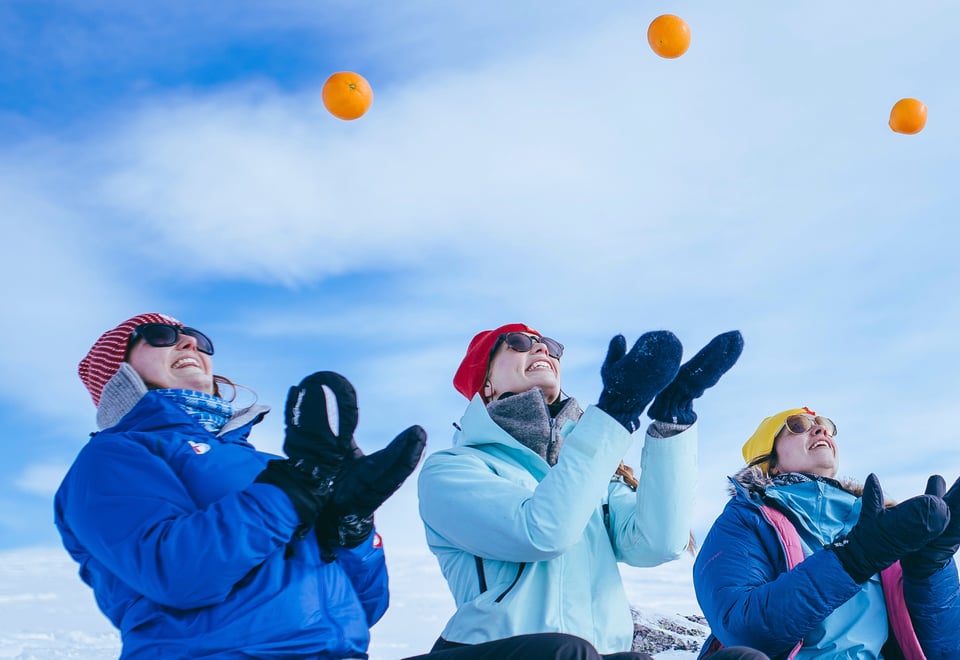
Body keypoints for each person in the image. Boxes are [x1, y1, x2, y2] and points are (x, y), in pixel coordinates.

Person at [54, 312, 427, 659]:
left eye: (197, 338)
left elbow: (364, 607)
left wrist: (349, 527)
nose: (189, 343)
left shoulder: (267, 465)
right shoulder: (112, 456)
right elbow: (176, 574)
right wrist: (292, 490)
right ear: (117, 373)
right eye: (160, 335)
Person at [414, 323, 760, 659]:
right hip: (496, 650)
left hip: (592, 652)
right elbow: (543, 533)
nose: (542, 348)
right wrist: (614, 413)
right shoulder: (454, 469)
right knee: (569, 651)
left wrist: (672, 420)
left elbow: (658, 543)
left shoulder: (589, 470)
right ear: (486, 384)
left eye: (551, 345)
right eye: (518, 342)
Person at [693, 407, 960, 659]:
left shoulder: (880, 524)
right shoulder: (745, 519)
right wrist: (854, 558)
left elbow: (945, 650)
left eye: (825, 426)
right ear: (770, 461)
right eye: (798, 425)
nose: (821, 430)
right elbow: (742, 630)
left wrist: (930, 568)